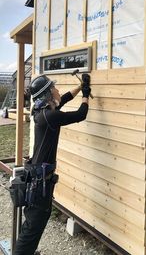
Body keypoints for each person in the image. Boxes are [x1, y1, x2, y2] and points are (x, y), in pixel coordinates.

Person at [14, 74, 91, 255]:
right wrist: (86, 95)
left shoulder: (41, 111)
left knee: (34, 223)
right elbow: (81, 114)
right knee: (34, 225)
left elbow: (62, 99)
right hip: (40, 182)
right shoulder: (49, 116)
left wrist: (81, 87)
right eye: (54, 88)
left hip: (38, 177)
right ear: (48, 94)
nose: (57, 90)